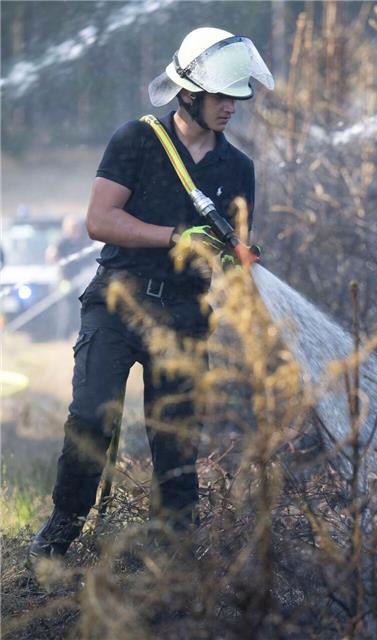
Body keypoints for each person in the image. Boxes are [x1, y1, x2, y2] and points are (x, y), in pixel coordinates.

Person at [28, 27, 274, 564]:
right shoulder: (136, 140)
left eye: (237, 97)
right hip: (116, 304)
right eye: (222, 97)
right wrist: (172, 237)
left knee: (177, 439)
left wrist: (236, 256)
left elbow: (228, 246)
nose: (232, 107)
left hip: (185, 314)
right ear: (188, 92)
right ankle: (60, 533)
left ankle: (175, 558)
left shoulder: (238, 168)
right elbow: (100, 219)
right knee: (92, 418)